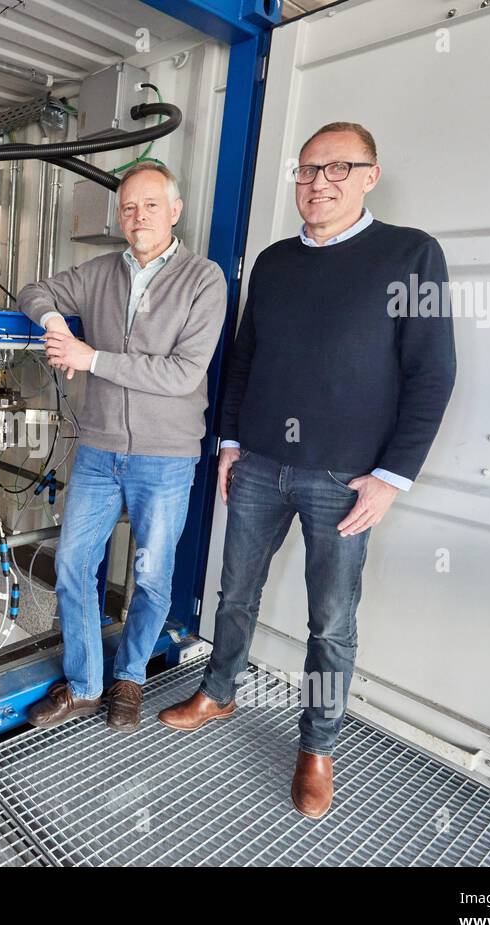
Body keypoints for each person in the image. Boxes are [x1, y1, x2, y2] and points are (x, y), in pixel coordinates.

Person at [157, 122, 457, 819]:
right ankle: (220, 691)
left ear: (370, 176)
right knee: (234, 594)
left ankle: (317, 748)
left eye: (338, 169)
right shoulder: (273, 261)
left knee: (331, 623)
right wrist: (230, 442)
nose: (318, 182)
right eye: (308, 169)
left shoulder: (414, 253)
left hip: (346, 481)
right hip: (259, 463)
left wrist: (393, 478)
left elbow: (434, 373)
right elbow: (244, 357)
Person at [16, 162, 227, 733]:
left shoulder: (204, 279)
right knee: (72, 564)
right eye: (129, 207)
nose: (137, 217)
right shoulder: (102, 271)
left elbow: (184, 374)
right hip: (99, 448)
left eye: (150, 206)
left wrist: (92, 359)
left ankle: (130, 678)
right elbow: (35, 290)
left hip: (167, 453)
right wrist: (57, 323)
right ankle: (85, 685)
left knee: (152, 575)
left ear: (174, 211)